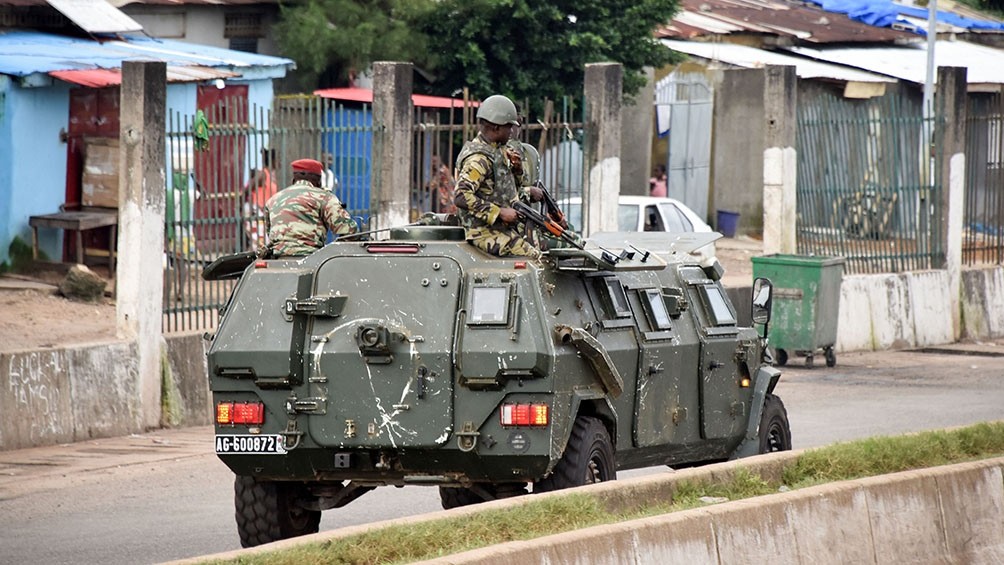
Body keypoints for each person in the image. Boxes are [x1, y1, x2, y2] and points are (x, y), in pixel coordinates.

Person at [453, 94, 544, 259]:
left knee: (542, 248)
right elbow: (461, 196)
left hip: (503, 228)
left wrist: (516, 170)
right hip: (483, 232)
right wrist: (499, 212)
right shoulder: (479, 159)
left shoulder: (498, 150)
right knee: (535, 259)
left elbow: (505, 189)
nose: (512, 131)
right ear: (496, 128)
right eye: (509, 126)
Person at [263, 158, 358, 257]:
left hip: (278, 257)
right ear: (319, 180)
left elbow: (269, 232)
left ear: (294, 179)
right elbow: (347, 230)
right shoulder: (323, 197)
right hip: (311, 257)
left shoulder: (273, 199)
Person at [244, 148, 278, 252]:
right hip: (258, 212)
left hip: (265, 213)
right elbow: (247, 188)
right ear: (272, 161)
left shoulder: (271, 175)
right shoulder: (263, 174)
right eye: (278, 160)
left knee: (261, 242)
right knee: (258, 243)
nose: (279, 162)